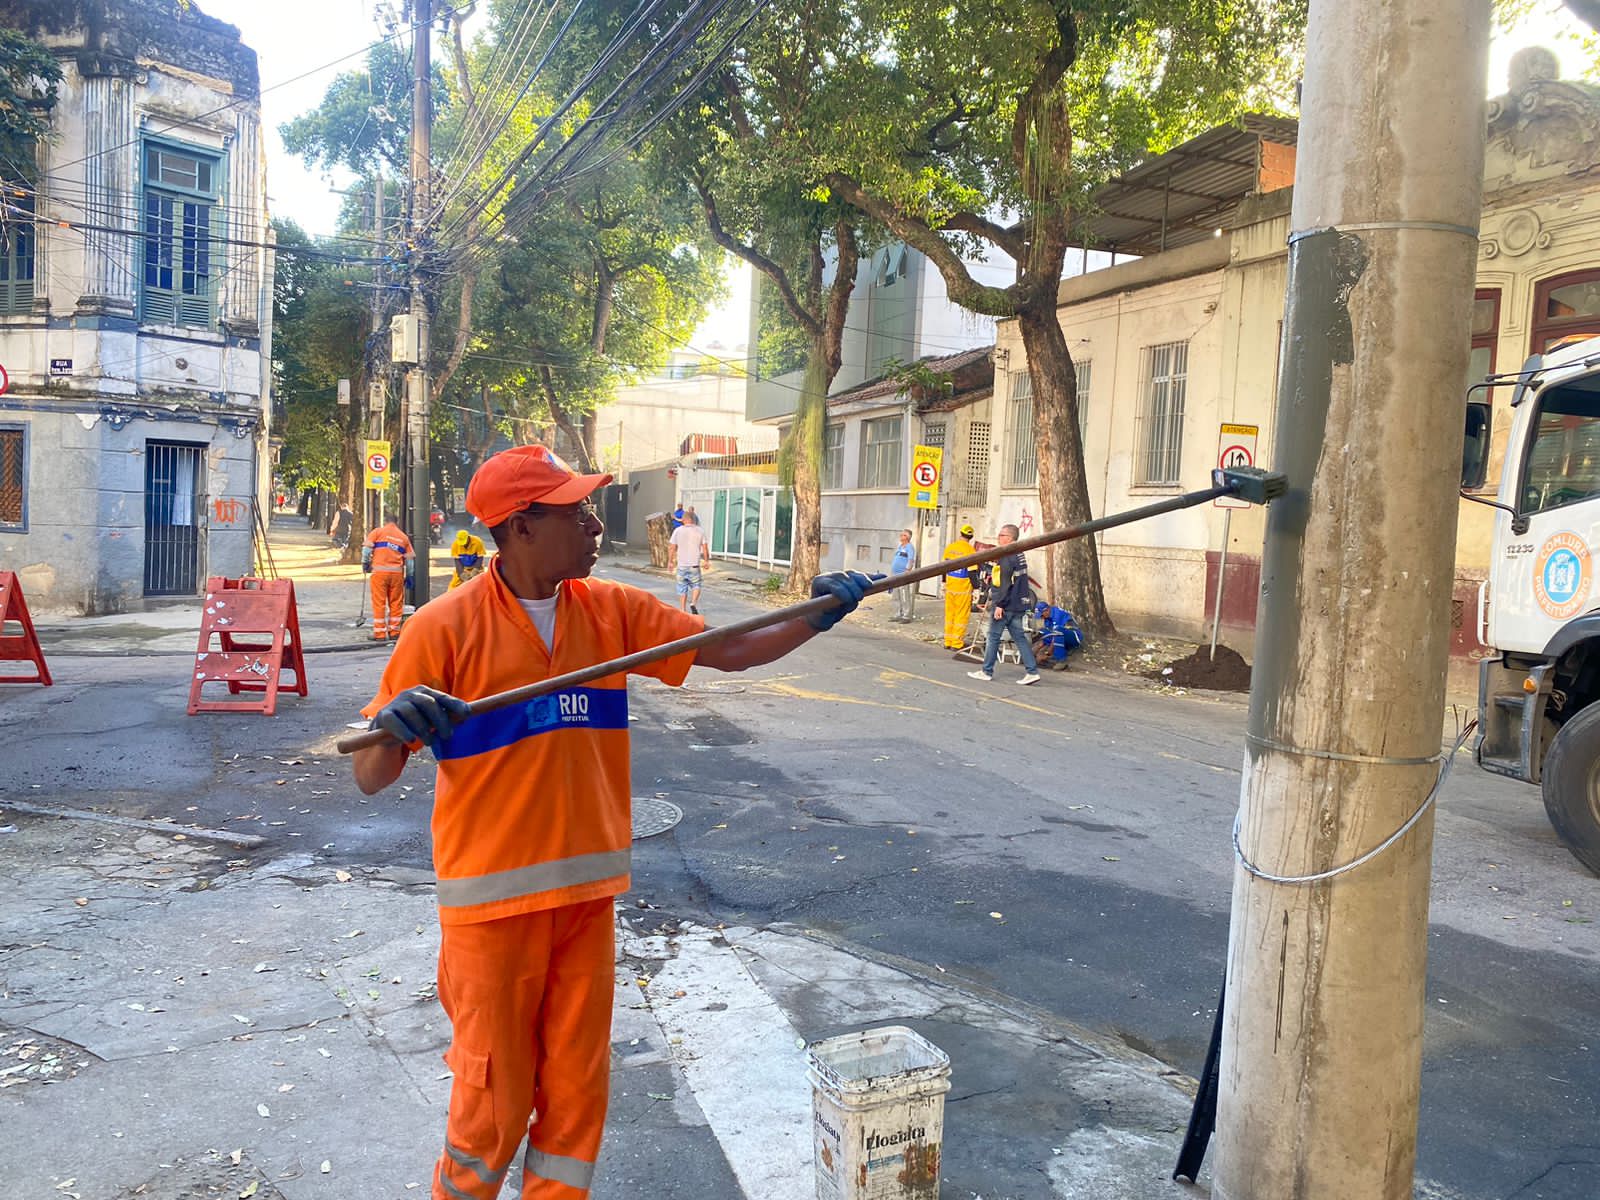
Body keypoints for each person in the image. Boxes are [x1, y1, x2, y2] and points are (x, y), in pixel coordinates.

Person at [350, 443, 871, 1200]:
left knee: (575, 1098)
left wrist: (820, 615)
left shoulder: (612, 611)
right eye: (577, 513)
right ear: (520, 527)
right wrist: (397, 726)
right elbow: (369, 774)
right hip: (491, 910)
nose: (598, 525)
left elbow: (730, 650)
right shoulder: (443, 627)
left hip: (586, 903)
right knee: (492, 1108)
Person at [967, 523, 1041, 685]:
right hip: (1019, 603)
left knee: (993, 636)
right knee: (1019, 637)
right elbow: (1013, 580)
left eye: (1001, 535)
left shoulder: (1007, 556)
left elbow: (1006, 583)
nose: (998, 538)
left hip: (1006, 605)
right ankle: (1032, 671)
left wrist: (1000, 604)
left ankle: (986, 671)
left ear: (1009, 538)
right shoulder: (1019, 554)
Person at [362, 517, 415, 641]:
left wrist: (365, 563)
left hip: (379, 574)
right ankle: (394, 632)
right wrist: (410, 575)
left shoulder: (377, 532)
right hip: (397, 575)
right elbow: (410, 561)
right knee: (396, 603)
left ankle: (379, 634)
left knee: (379, 603)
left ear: (385, 522)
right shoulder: (403, 537)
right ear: (396, 524)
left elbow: (366, 550)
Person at [941, 522, 977, 649]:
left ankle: (947, 641)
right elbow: (972, 572)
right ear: (971, 537)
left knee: (949, 615)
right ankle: (956, 644)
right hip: (963, 589)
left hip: (950, 586)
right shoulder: (970, 550)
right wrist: (977, 588)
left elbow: (943, 567)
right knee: (961, 616)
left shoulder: (950, 547)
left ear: (960, 534)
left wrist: (944, 582)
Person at [668, 508, 711, 614]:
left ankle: (682, 609)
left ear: (684, 520)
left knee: (682, 587)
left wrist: (670, 561)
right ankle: (693, 603)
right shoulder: (700, 531)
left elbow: (672, 547)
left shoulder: (677, 531)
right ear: (693, 519)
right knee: (696, 585)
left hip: (682, 564)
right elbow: (705, 547)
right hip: (694, 564)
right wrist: (706, 560)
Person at [889, 529, 916, 622]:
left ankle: (906, 615)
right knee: (895, 595)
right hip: (895, 574)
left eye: (903, 535)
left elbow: (911, 559)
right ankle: (897, 614)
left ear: (907, 537)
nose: (901, 537)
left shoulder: (909, 547)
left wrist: (908, 570)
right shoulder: (900, 546)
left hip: (902, 574)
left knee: (904, 594)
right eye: (901, 535)